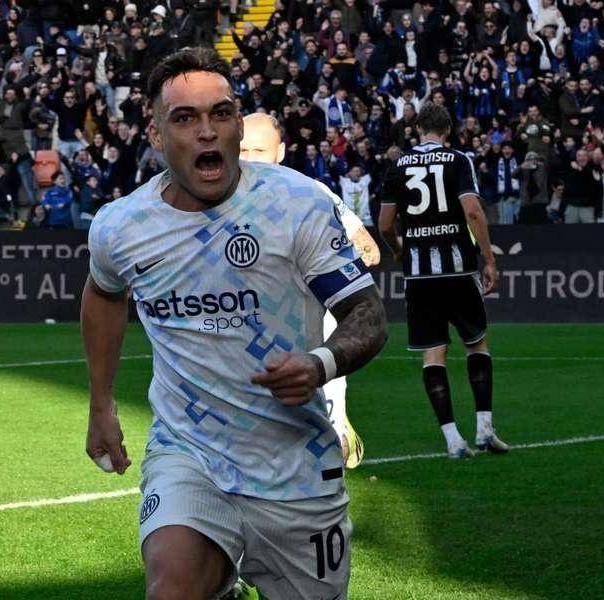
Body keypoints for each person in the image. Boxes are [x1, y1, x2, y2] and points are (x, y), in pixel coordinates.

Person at [82, 48, 387, 599]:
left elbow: (366, 313)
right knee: (172, 587)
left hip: (295, 467)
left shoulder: (296, 204)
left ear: (238, 125)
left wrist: (319, 364)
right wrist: (101, 404)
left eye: (220, 114)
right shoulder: (122, 227)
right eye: (184, 118)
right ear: (156, 136)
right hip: (189, 452)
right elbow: (103, 294)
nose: (206, 131)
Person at [239, 111, 382, 470]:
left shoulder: (312, 193)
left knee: (322, 446)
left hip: (311, 321)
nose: (249, 159)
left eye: (259, 150)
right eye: (242, 150)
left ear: (280, 152)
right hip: (249, 323)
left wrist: (319, 268)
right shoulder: (214, 199)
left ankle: (339, 434)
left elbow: (369, 250)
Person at [377, 103, 508, 459]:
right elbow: (473, 211)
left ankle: (453, 440)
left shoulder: (398, 165)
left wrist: (399, 251)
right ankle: (484, 429)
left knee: (433, 353)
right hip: (458, 269)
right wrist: (489, 258)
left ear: (419, 129)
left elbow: (385, 224)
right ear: (447, 130)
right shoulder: (458, 160)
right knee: (476, 344)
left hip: (420, 275)